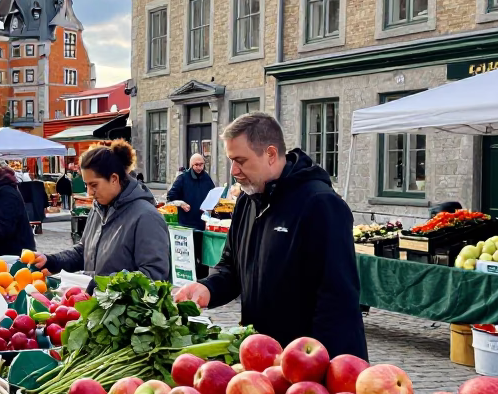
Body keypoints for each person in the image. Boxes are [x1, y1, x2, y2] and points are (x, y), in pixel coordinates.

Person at [175, 113, 367, 359]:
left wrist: (322, 371)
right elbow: (231, 269)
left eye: (240, 160)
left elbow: (337, 302)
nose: (234, 170)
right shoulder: (246, 201)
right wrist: (206, 289)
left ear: (271, 154)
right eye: (231, 160)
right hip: (263, 360)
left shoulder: (321, 204)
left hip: (306, 364)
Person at [34, 141, 171, 282]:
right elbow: (84, 252)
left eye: (94, 185)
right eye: (87, 185)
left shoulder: (147, 217)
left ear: (114, 179)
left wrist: (103, 283)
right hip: (95, 301)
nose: (89, 192)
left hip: (124, 304)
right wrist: (52, 261)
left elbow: (154, 275)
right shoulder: (98, 208)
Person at [168, 153, 217, 231]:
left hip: (202, 222)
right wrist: (181, 204)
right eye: (196, 165)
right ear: (191, 165)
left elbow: (212, 194)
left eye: (201, 164)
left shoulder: (207, 178)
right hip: (186, 223)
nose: (199, 167)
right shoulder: (182, 178)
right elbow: (170, 196)